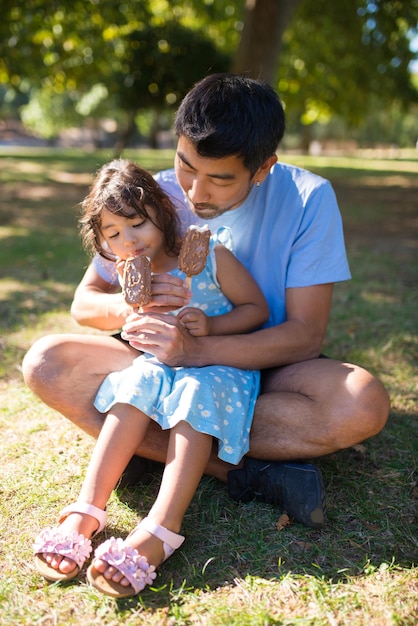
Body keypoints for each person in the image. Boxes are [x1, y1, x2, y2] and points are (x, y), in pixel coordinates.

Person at [23, 73, 390, 533]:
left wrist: (197, 351)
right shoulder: (150, 196)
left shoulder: (307, 199)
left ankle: (146, 448)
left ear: (262, 169)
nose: (195, 194)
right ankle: (243, 472)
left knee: (361, 403)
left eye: (219, 179)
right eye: (186, 166)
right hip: (154, 364)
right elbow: (85, 303)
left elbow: (304, 334)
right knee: (46, 364)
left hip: (264, 363)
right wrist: (133, 309)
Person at [33, 159, 269, 597]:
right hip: (158, 366)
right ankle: (88, 508)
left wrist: (211, 327)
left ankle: (163, 526)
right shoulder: (128, 275)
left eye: (137, 224)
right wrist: (131, 312)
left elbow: (257, 309)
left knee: (194, 392)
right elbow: (91, 311)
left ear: (162, 211)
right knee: (136, 381)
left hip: (217, 367)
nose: (128, 240)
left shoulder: (210, 254)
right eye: (113, 234)